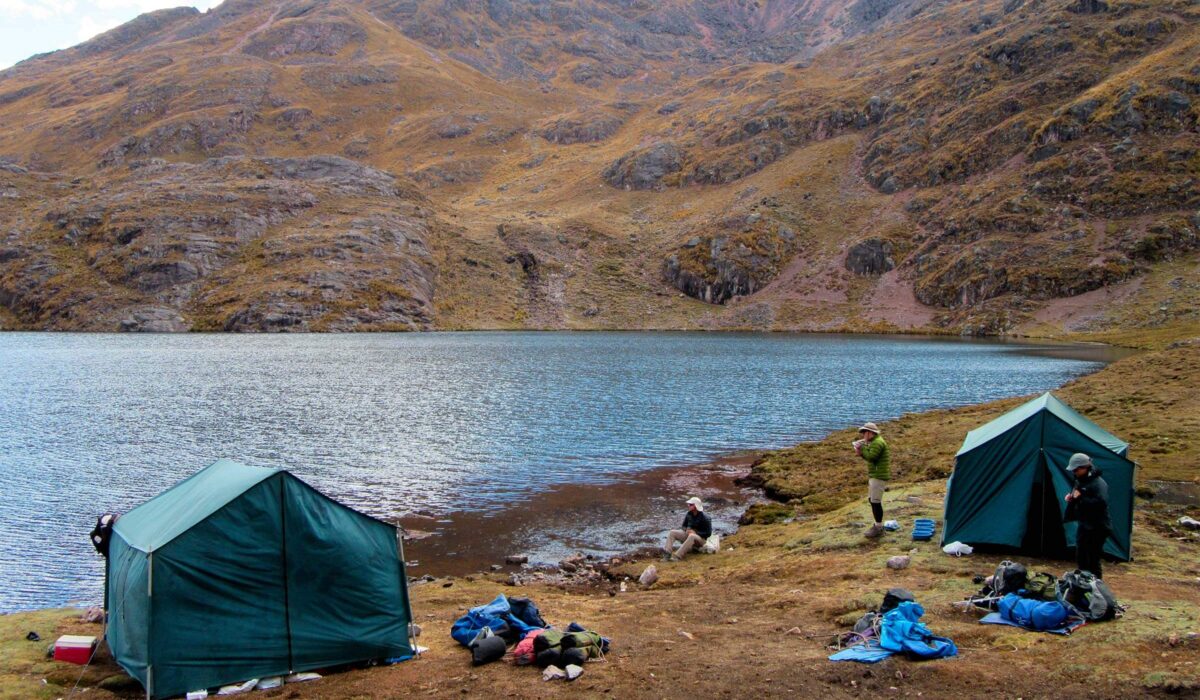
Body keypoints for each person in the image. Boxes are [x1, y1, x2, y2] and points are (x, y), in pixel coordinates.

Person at [1064, 452, 1111, 579]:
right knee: (1082, 557)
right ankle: (1083, 585)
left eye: (1076, 470)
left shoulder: (1098, 483)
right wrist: (1072, 498)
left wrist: (1081, 498)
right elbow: (1077, 494)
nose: (1074, 472)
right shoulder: (1080, 480)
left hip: (1098, 527)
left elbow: (1101, 503)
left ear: (1084, 468)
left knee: (1093, 560)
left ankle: (1096, 588)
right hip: (1085, 524)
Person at [853, 422, 890, 538]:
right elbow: (870, 457)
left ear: (870, 433)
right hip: (875, 474)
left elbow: (872, 457)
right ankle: (877, 526)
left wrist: (861, 448)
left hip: (878, 475)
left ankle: (878, 528)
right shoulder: (875, 442)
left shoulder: (877, 443)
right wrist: (862, 450)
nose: (863, 435)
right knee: (872, 500)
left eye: (864, 432)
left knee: (875, 502)